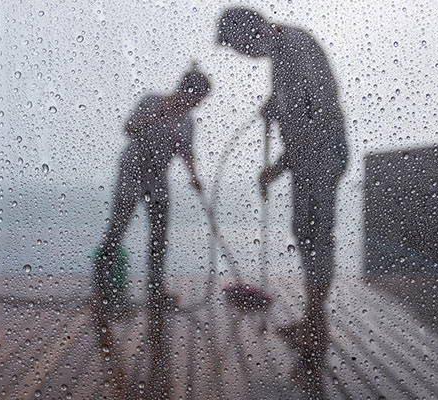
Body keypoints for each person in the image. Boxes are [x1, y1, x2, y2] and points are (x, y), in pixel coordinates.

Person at [217, 7, 349, 394]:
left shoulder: (293, 43)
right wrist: (276, 167)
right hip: (307, 156)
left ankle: (316, 325)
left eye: (242, 47)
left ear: (254, 28)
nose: (245, 55)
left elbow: (314, 105)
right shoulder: (281, 52)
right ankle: (312, 320)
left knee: (316, 234)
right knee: (306, 233)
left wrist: (277, 107)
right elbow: (298, 117)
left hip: (322, 154)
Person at [92, 63, 210, 399]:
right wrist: (156, 114)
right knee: (117, 230)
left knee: (160, 236)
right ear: (184, 89)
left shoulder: (187, 121)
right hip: (131, 169)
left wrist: (194, 175)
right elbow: (128, 128)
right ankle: (101, 285)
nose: (196, 104)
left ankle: (156, 290)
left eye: (200, 100)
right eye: (195, 96)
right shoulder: (152, 101)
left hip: (158, 175)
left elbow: (187, 153)